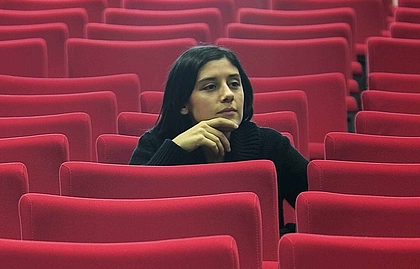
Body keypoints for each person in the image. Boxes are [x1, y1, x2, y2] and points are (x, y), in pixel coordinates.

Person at [130, 45, 308, 232]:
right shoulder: (154, 144)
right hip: (177, 257)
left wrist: (281, 238)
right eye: (211, 87)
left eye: (234, 84)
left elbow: (323, 211)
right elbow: (128, 215)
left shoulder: (270, 144)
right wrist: (176, 149)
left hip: (258, 260)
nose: (228, 95)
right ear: (183, 103)